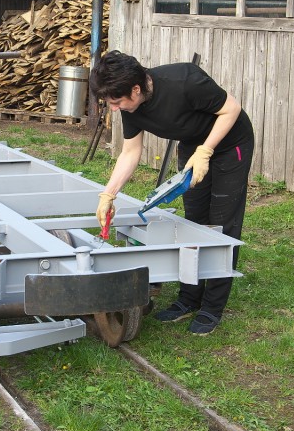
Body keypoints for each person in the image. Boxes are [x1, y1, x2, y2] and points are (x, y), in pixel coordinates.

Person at [90, 50, 254, 335]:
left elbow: (232, 109)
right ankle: (189, 298)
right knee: (193, 221)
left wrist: (207, 149)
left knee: (222, 224)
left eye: (116, 102)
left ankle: (211, 307)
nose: (113, 108)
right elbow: (130, 151)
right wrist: (109, 194)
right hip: (193, 145)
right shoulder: (132, 107)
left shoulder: (184, 80)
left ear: (136, 88)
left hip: (229, 144)